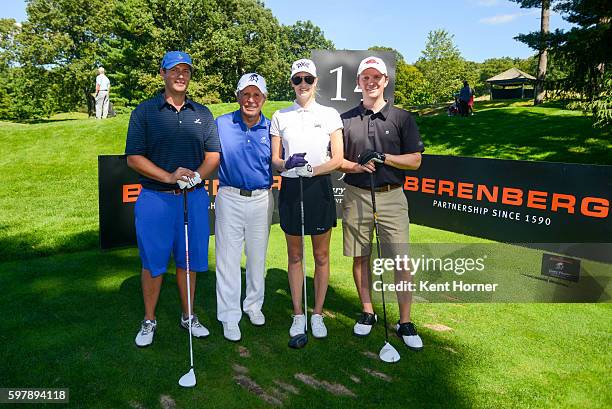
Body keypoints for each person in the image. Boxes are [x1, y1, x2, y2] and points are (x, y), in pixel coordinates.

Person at [126, 51, 221, 347]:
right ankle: (149, 319)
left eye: (186, 71)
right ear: (163, 74)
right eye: (174, 70)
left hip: (192, 198)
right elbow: (134, 158)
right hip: (156, 199)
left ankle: (188, 316)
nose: (181, 75)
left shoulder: (202, 113)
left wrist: (196, 176)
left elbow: (213, 156)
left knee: (189, 260)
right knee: (153, 263)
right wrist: (168, 177)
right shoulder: (144, 112)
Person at [340, 56, 425, 351]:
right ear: (359, 82)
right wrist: (356, 165)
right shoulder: (346, 119)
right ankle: (367, 312)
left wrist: (383, 158)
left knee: (400, 260)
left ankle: (404, 321)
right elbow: (338, 159)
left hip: (391, 196)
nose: (371, 82)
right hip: (356, 194)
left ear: (385, 81)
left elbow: (415, 160)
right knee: (360, 257)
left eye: (377, 77)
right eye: (366, 77)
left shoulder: (401, 117)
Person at [270, 59, 343, 340]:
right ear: (291, 82)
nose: (303, 84)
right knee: (295, 254)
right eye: (297, 79)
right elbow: (275, 160)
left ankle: (318, 314)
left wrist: (312, 169)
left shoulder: (329, 114)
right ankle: (298, 314)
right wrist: (286, 164)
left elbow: (337, 158)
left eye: (308, 79)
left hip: (318, 187)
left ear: (315, 82)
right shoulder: (280, 115)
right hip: (290, 187)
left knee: (321, 255)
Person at [214, 73, 274, 342]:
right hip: (229, 195)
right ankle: (228, 315)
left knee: (257, 256)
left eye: (256, 95)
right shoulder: (222, 123)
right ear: (238, 96)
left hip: (261, 197)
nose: (251, 100)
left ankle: (253, 305)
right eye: (246, 94)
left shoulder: (272, 128)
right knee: (227, 258)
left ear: (264, 98)